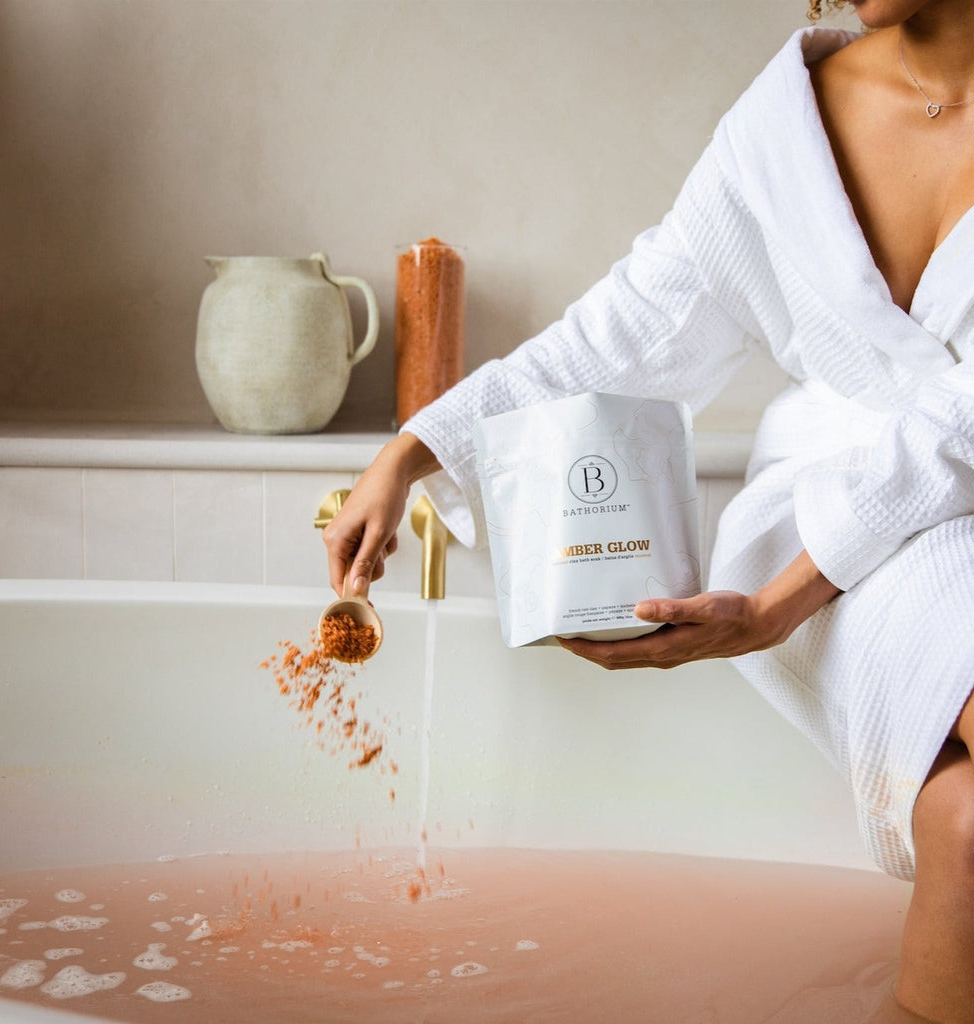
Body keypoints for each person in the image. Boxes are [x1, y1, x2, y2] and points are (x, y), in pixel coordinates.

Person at [322, 1, 974, 1019]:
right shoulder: (787, 126)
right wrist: (415, 451)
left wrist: (776, 606)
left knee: (966, 826)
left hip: (870, 529)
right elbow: (631, 329)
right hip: (845, 537)